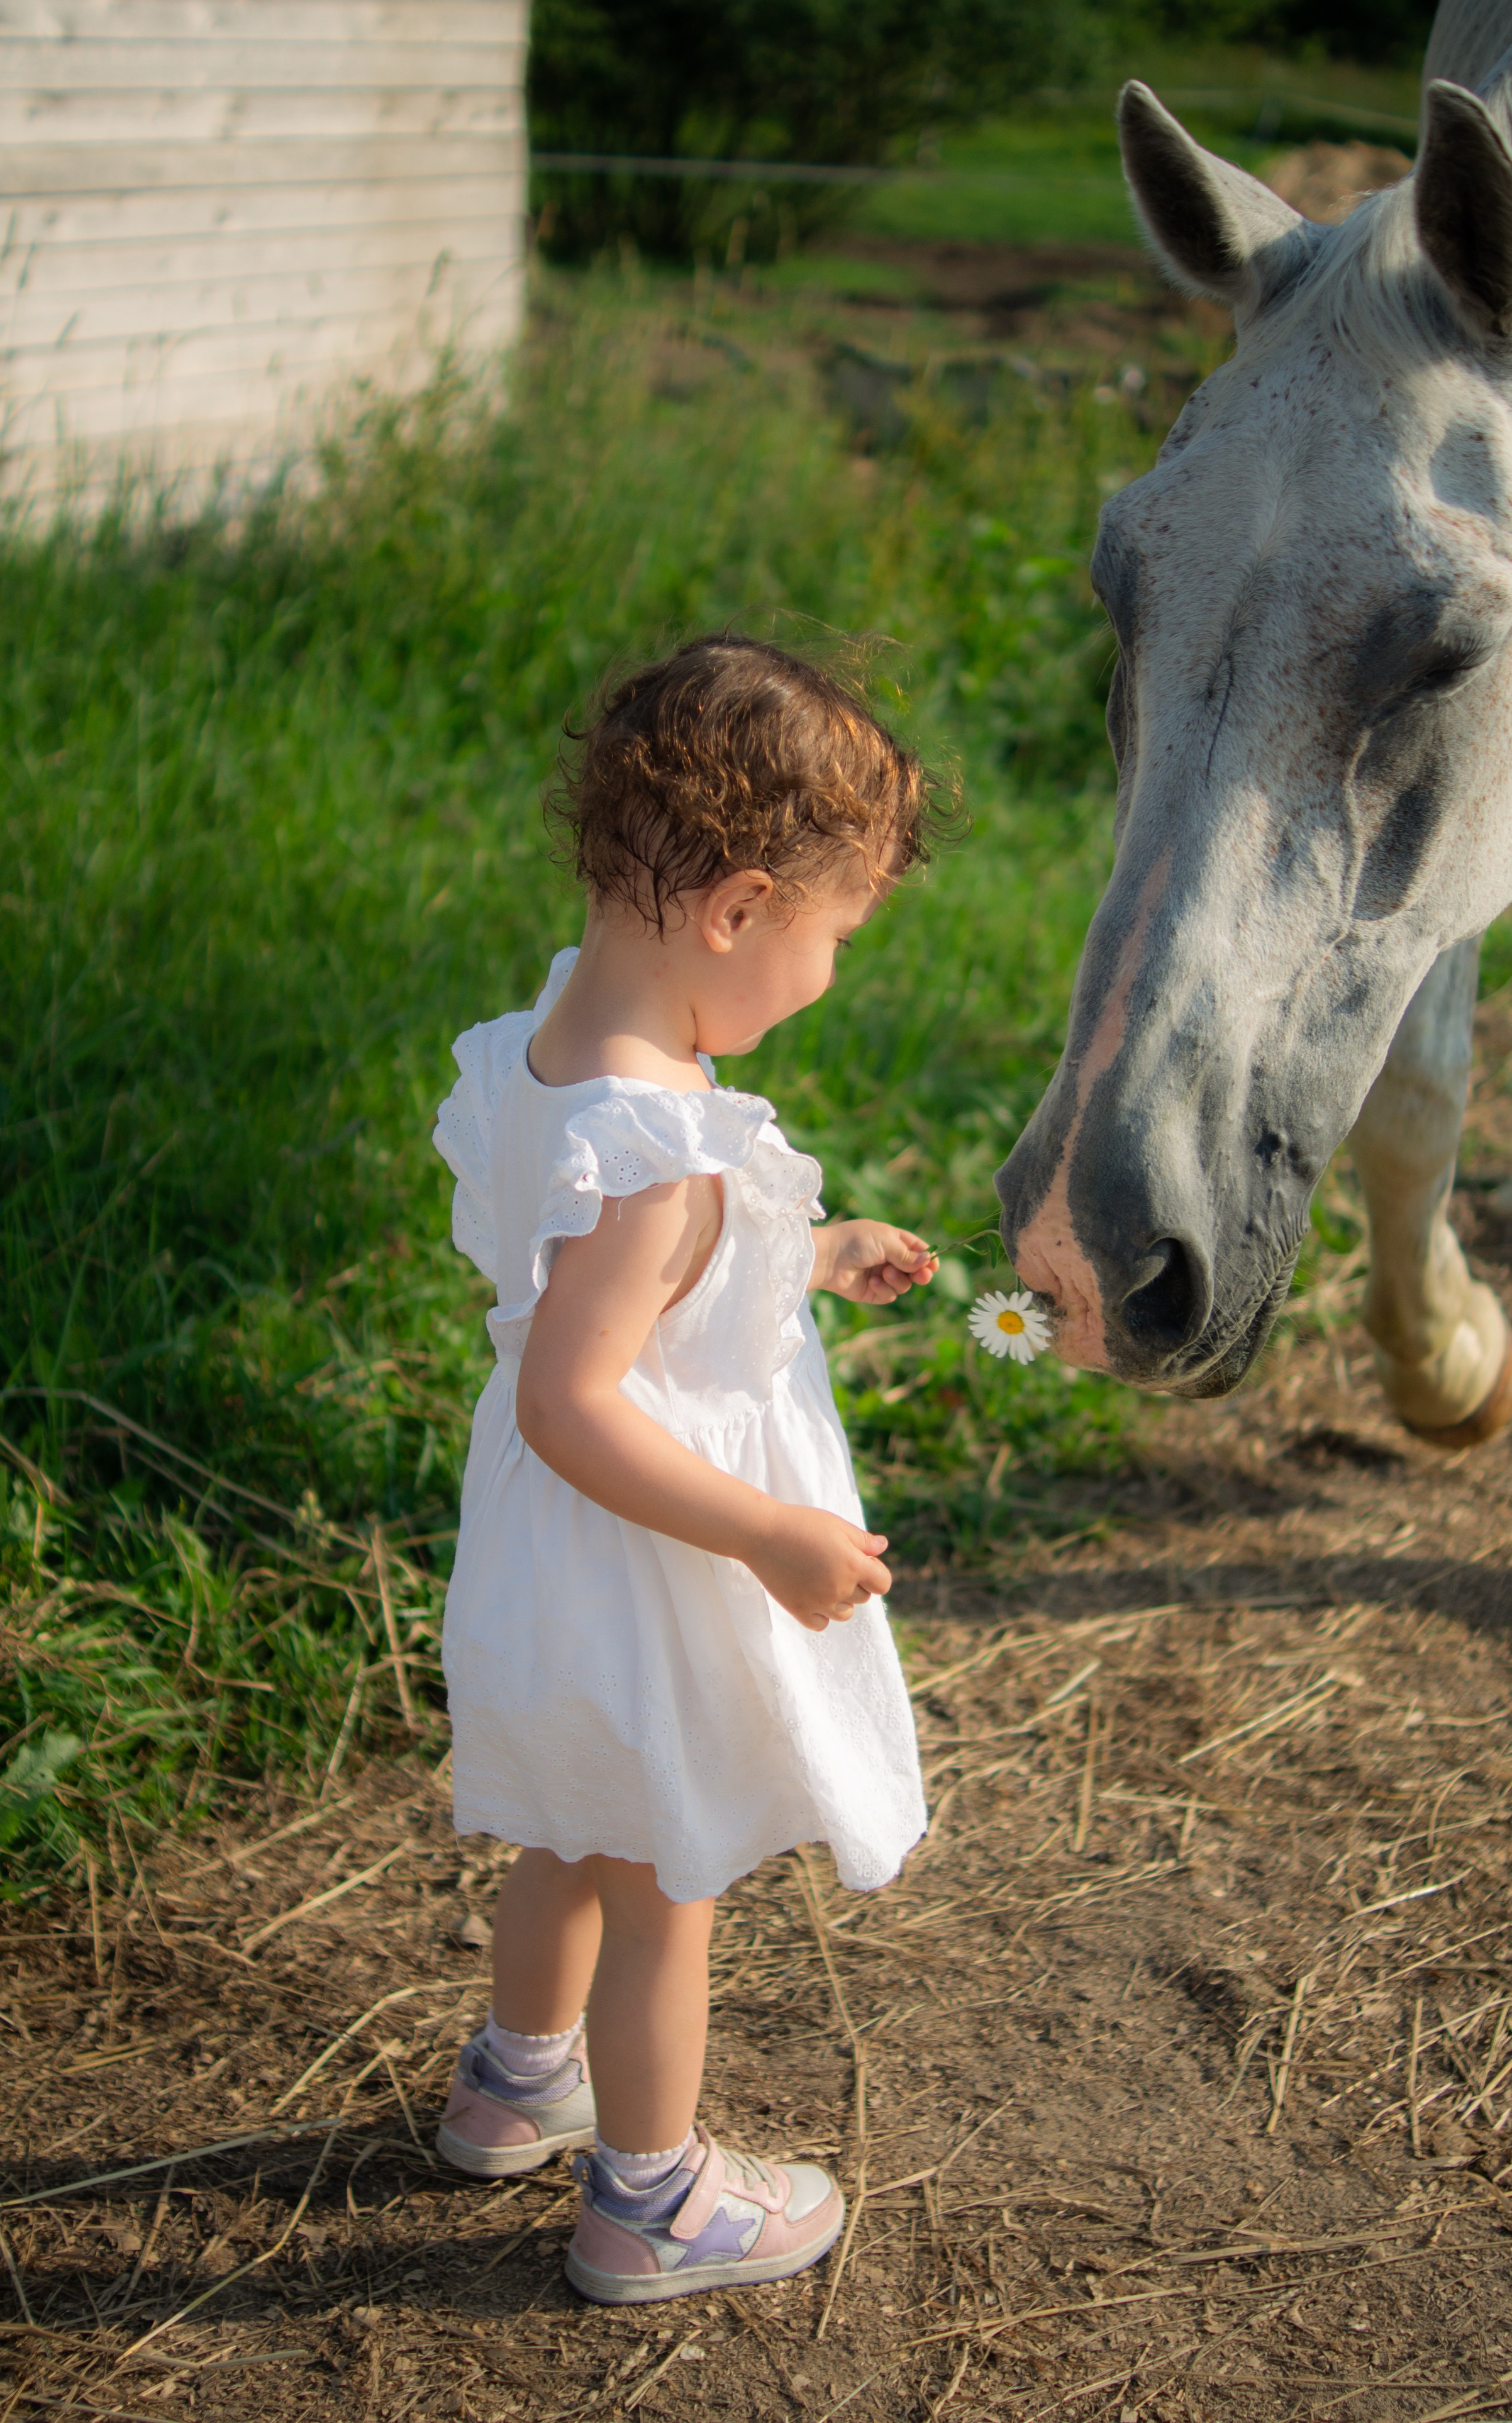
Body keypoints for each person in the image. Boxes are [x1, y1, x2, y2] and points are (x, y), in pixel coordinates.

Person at [429, 637, 940, 2305]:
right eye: (831, 941)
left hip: (554, 1556)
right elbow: (587, 1400)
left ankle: (516, 2078)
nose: (826, 979)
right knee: (668, 1881)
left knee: (570, 1840)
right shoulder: (653, 1150)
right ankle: (648, 2198)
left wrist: (811, 1242)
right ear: (732, 909)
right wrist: (777, 1532)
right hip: (639, 1554)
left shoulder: (541, 1050)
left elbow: (632, 1302)